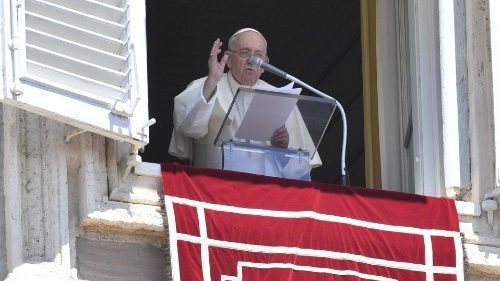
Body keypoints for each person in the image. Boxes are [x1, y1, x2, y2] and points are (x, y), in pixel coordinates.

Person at [169, 28, 321, 173]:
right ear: (228, 59)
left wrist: (282, 149)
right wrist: (212, 82)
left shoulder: (281, 96)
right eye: (244, 53)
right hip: (215, 190)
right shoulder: (204, 86)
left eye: (258, 55)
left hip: (265, 193)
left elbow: (300, 167)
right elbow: (189, 129)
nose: (252, 60)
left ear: (265, 64)